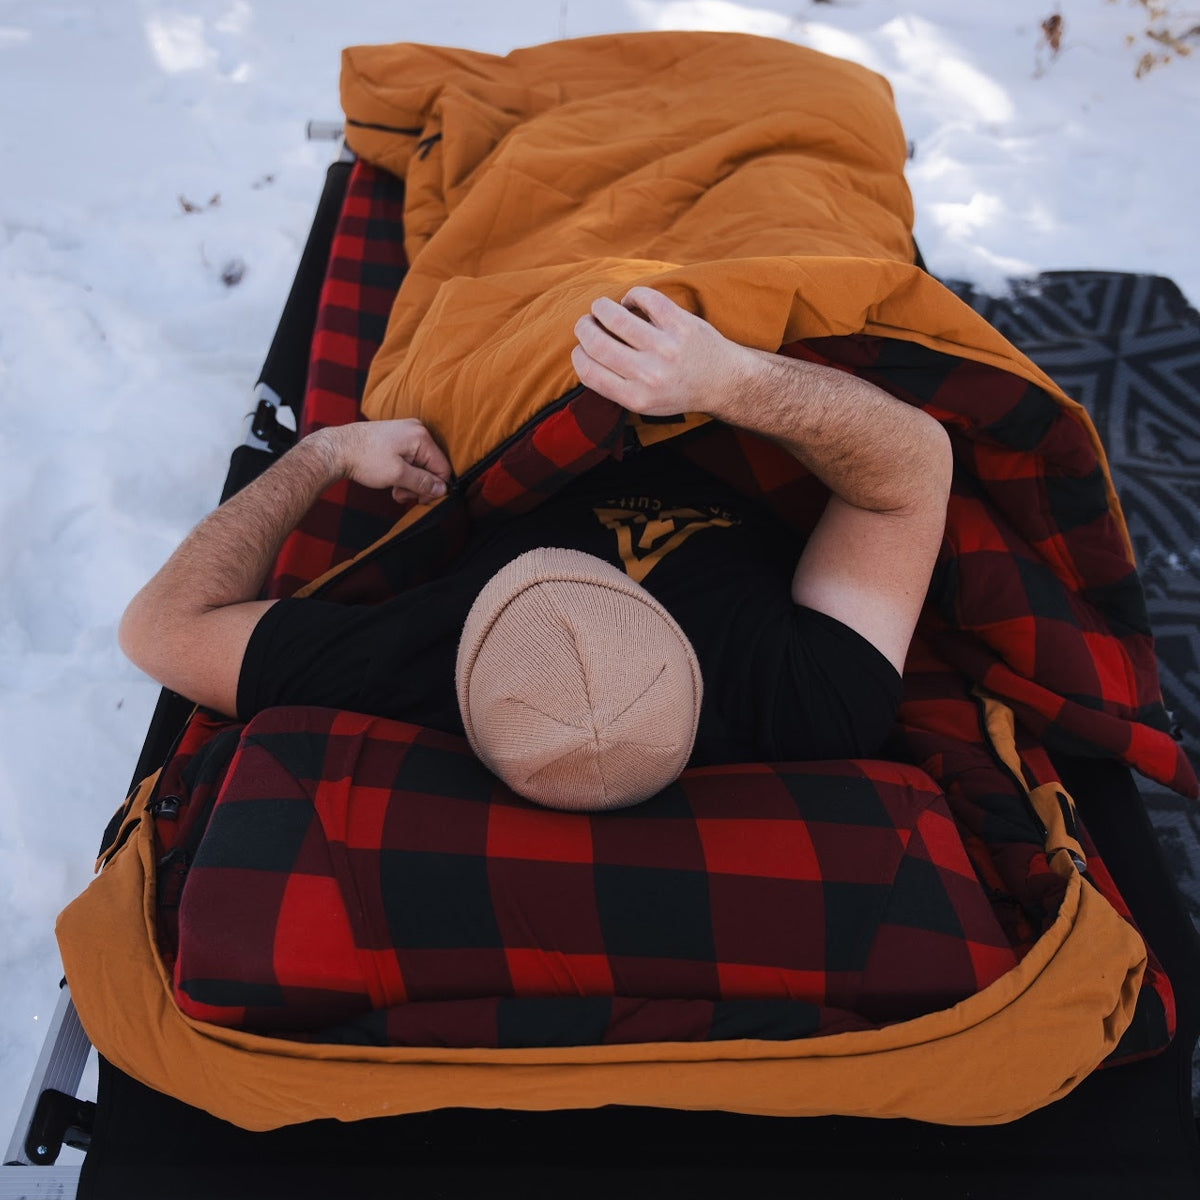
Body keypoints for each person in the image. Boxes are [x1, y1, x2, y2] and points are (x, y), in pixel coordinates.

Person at [119, 288, 952, 811]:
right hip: (728, 399)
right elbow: (912, 464)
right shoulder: (810, 706)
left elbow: (160, 627)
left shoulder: (400, 672)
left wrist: (327, 451)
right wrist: (728, 379)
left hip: (529, 340)